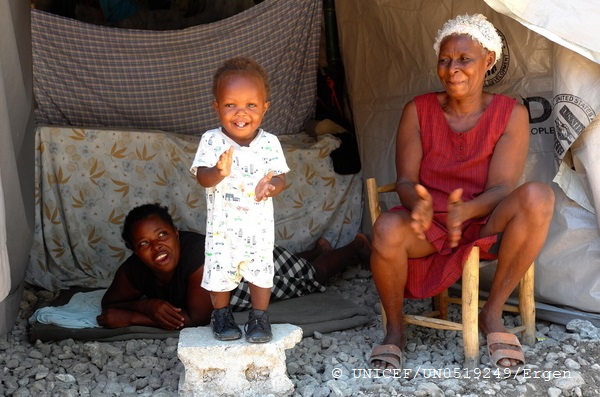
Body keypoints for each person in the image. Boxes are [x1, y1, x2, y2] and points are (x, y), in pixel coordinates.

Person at [368, 14, 555, 373]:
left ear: (488, 61)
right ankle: (394, 329)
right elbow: (405, 180)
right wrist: (416, 203)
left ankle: (492, 314)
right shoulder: (417, 110)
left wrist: (467, 211)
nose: (453, 68)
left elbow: (502, 187)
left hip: (483, 220)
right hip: (429, 224)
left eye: (465, 59)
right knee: (388, 230)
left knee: (538, 197)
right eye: (445, 59)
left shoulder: (510, 113)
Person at [97, 203, 371, 331]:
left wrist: (135, 316)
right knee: (299, 265)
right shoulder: (134, 269)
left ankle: (356, 245)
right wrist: (146, 304)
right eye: (144, 244)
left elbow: (198, 318)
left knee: (312, 276)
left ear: (176, 234)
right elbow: (110, 301)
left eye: (162, 235)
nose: (156, 247)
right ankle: (317, 249)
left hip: (248, 272)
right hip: (239, 255)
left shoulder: (198, 260)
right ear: (134, 251)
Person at [190, 57, 289, 343]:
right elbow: (202, 178)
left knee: (260, 273)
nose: (241, 113)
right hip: (223, 231)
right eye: (230, 105)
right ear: (217, 107)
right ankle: (221, 314)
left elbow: (281, 178)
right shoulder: (211, 140)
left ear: (265, 107)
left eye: (251, 105)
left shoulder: (270, 143)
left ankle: (259, 317)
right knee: (220, 272)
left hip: (257, 229)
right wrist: (219, 172)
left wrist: (271, 186)